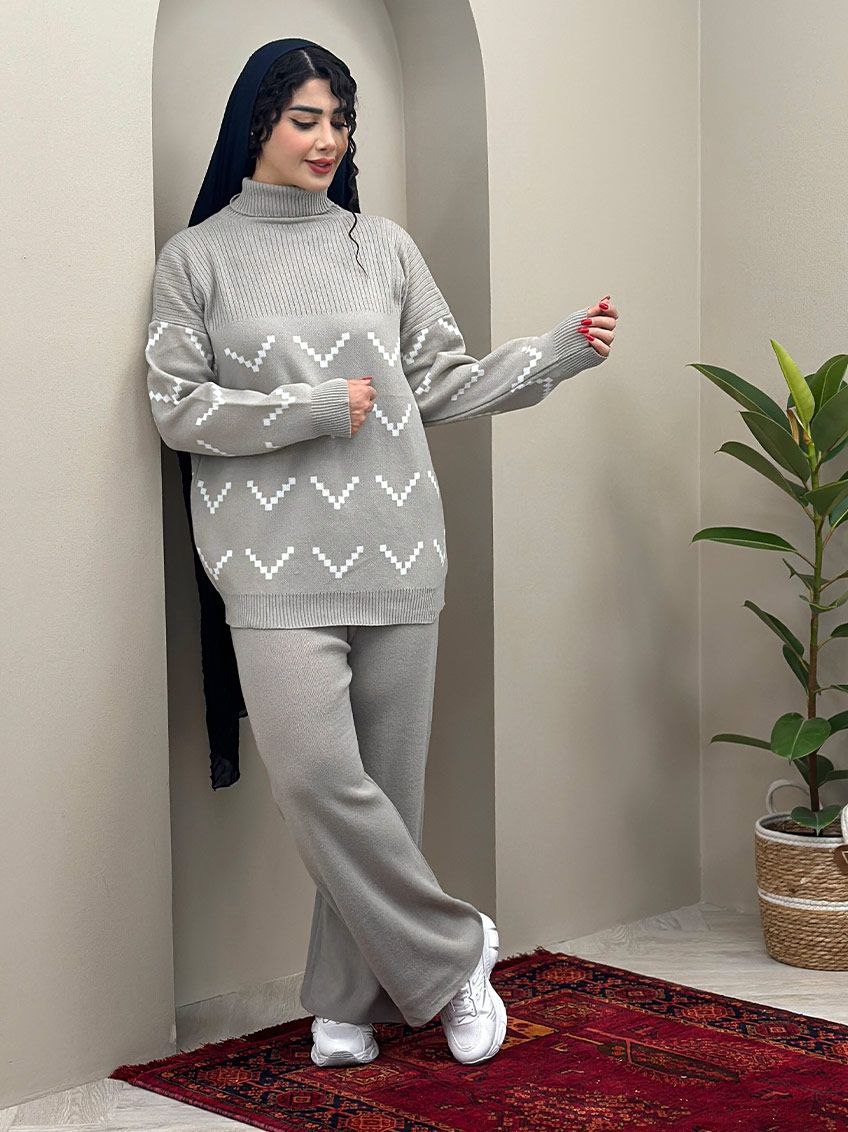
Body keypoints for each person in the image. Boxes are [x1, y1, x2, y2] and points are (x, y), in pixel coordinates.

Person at [144, 38, 618, 1069]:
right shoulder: (196, 260)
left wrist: (555, 352)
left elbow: (439, 383)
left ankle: (345, 999)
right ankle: (456, 951)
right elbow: (177, 409)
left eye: (340, 121)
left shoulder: (382, 248)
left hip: (397, 552)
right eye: (305, 118)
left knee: (386, 799)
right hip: (271, 568)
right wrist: (310, 407)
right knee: (319, 782)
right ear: (257, 123)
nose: (327, 139)